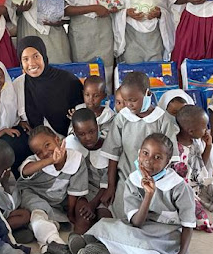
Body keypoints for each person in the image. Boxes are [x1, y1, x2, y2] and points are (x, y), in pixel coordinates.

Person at [83, 134, 198, 254]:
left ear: (167, 162)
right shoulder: (134, 180)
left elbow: (188, 225)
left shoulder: (177, 186)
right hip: (143, 229)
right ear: (138, 154)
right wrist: (148, 194)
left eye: (157, 157)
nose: (149, 161)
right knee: (104, 227)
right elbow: (136, 222)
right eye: (145, 153)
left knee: (128, 239)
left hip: (169, 236)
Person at [101, 72, 172, 217]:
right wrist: (111, 186)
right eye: (126, 100)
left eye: (133, 100)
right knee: (123, 215)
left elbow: (170, 157)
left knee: (154, 216)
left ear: (147, 93)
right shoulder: (122, 118)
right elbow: (113, 155)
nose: (129, 105)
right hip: (127, 178)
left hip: (156, 180)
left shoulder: (161, 119)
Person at [17, 127, 90, 254]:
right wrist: (50, 160)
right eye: (39, 152)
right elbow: (26, 170)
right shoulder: (37, 162)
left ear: (57, 139)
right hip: (32, 194)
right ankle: (55, 243)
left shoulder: (76, 159)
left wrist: (71, 213)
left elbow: (74, 191)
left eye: (47, 145)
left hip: (57, 202)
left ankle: (42, 241)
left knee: (59, 217)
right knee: (39, 212)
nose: (45, 152)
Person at [171, 106, 213, 232]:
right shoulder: (174, 147)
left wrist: (208, 145)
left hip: (198, 185)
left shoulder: (195, 141)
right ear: (190, 131)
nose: (206, 130)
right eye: (204, 127)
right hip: (183, 191)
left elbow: (201, 164)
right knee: (200, 217)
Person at [14, 36, 84, 140]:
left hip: (69, 139)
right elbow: (13, 114)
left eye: (36, 56)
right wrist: (19, 122)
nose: (31, 63)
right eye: (25, 59)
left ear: (44, 56)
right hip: (35, 142)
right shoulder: (18, 84)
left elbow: (82, 115)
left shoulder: (67, 81)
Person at [65, 108, 112, 222]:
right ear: (75, 134)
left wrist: (93, 204)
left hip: (104, 193)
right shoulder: (71, 145)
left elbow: (108, 181)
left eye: (92, 131)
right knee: (82, 215)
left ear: (97, 127)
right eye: (81, 134)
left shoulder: (109, 145)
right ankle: (79, 238)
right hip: (83, 192)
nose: (88, 137)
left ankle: (95, 239)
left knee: (105, 218)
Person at [0, 140, 32, 240]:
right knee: (25, 216)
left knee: (24, 213)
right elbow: (11, 205)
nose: (8, 171)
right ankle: (2, 233)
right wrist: (5, 182)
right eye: (7, 169)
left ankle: (9, 230)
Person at [69, 75, 115, 139]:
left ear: (104, 96)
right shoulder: (78, 110)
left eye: (96, 96)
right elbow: (70, 134)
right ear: (83, 93)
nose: (91, 99)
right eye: (87, 95)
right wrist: (75, 121)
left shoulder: (108, 115)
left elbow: (106, 138)